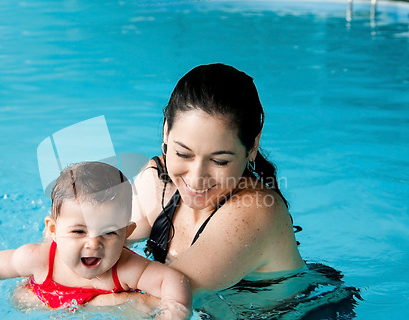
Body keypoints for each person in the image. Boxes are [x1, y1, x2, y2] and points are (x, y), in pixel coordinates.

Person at [0, 162, 191, 320]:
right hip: (46, 299)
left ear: (127, 233)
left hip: (83, 315)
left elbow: (173, 279)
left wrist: (172, 314)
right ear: (52, 230)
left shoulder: (126, 268)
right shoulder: (40, 259)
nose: (94, 243)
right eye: (79, 231)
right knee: (20, 299)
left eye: (109, 232)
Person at [129, 63, 305, 291]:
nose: (196, 178)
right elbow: (92, 246)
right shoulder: (157, 180)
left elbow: (166, 301)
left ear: (252, 147)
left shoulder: (255, 212)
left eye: (219, 161)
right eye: (183, 153)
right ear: (166, 132)